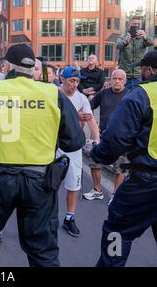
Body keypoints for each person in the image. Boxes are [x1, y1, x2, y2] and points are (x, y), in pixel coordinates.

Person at [0, 44, 85, 266]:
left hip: (0, 179)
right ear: (33, 68)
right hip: (41, 182)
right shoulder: (53, 94)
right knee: (43, 252)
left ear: (8, 66)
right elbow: (75, 142)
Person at [91, 50, 157, 267]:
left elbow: (116, 138)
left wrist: (98, 154)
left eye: (142, 69)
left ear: (150, 70)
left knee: (117, 231)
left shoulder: (141, 94)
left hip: (148, 182)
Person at [58, 67, 100, 237]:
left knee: (74, 185)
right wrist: (75, 115)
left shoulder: (82, 98)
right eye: (71, 81)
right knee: (48, 183)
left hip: (73, 147)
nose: (75, 84)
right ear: (62, 79)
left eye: (77, 81)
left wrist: (97, 141)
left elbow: (91, 121)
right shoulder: (53, 95)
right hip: (54, 145)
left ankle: (69, 218)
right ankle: (45, 217)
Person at [83, 69, 129, 204]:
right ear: (110, 80)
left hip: (122, 137)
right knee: (94, 162)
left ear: (125, 81)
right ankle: (97, 191)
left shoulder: (130, 95)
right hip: (103, 135)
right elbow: (88, 106)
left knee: (120, 167)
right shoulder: (103, 94)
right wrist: (92, 122)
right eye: (115, 78)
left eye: (121, 79)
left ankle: (115, 194)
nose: (117, 81)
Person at [117, 16, 154, 89]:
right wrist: (125, 42)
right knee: (124, 97)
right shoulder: (122, 37)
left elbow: (151, 43)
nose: (136, 26)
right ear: (128, 25)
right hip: (125, 76)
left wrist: (145, 37)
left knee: (137, 97)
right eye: (134, 24)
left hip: (138, 75)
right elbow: (118, 45)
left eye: (138, 24)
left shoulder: (142, 38)